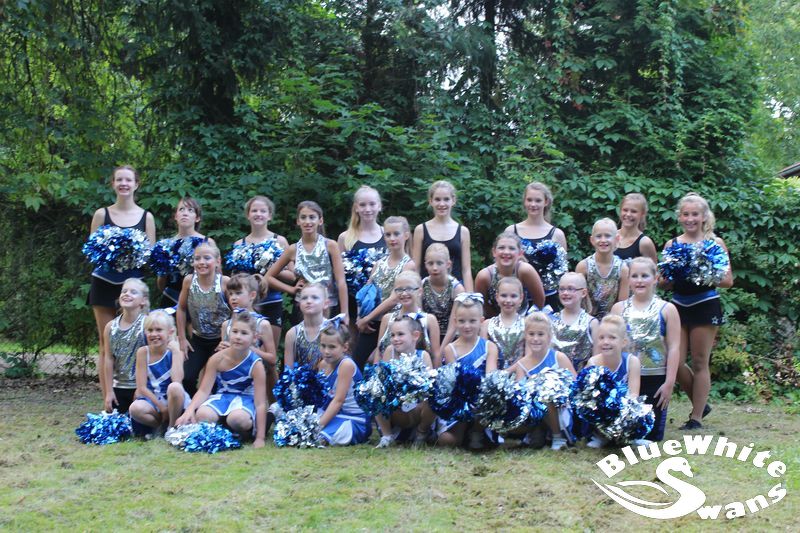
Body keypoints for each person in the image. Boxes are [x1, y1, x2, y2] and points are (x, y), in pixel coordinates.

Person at [661, 193, 733, 430]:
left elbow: (728, 281)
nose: (690, 218)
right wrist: (674, 273)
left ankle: (696, 418)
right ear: (679, 217)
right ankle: (701, 403)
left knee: (701, 361)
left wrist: (700, 271)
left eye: (695, 214)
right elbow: (663, 282)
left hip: (705, 304)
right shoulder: (672, 244)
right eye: (686, 214)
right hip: (678, 306)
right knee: (675, 361)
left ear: (704, 217)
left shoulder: (715, 244)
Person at [89, 165, 156, 402]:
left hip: (134, 285)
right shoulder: (101, 214)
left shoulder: (146, 217)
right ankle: (108, 400)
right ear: (113, 184)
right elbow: (92, 251)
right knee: (106, 342)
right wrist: (112, 252)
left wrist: (131, 251)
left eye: (128, 180)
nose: (124, 184)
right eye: (119, 180)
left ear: (136, 184)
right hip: (104, 282)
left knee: (139, 341)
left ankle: (137, 396)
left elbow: (150, 255)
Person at [610, 257, 680, 441]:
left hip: (655, 378)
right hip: (625, 377)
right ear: (628, 279)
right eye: (635, 276)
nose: (639, 280)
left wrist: (669, 382)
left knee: (651, 435)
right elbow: (610, 345)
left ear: (655, 278)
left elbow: (674, 347)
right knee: (618, 434)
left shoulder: (667, 309)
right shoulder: (618, 309)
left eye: (644, 276)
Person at [176, 311, 267, 448]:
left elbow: (260, 403)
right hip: (222, 397)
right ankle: (222, 428)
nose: (238, 337)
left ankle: (243, 431)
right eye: (235, 332)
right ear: (229, 333)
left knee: (237, 419)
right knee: (202, 415)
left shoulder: (256, 365)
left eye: (244, 333)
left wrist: (260, 437)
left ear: (254, 338)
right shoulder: (217, 359)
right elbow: (203, 391)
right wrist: (189, 410)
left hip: (245, 400)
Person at [265, 201, 348, 326]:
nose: (307, 221)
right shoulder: (293, 249)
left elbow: (341, 281)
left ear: (320, 220)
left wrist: (345, 313)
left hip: (328, 306)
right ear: (298, 221)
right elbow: (268, 277)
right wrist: (291, 290)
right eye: (303, 217)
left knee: (327, 338)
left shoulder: (330, 245)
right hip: (303, 307)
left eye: (312, 217)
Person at [436, 293, 499, 448]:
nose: (467, 326)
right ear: (455, 322)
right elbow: (453, 381)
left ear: (481, 321)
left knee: (489, 395)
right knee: (448, 441)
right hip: (460, 399)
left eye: (472, 321)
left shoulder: (489, 347)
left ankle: (477, 431)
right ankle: (461, 430)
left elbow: (491, 377)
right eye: (462, 321)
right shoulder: (450, 349)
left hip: (481, 398)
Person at [353, 216, 415, 368]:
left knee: (384, 365)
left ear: (406, 235)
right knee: (357, 362)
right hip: (372, 323)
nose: (392, 238)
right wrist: (360, 317)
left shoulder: (408, 265)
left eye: (396, 234)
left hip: (394, 323)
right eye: (388, 234)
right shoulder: (379, 263)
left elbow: (395, 298)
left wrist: (367, 318)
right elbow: (365, 293)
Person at [509, 312, 576, 451]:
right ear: (525, 335)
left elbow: (575, 385)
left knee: (546, 391)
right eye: (531, 334)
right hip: (536, 411)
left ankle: (558, 437)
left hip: (561, 410)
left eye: (540, 334)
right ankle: (537, 429)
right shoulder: (521, 365)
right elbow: (521, 396)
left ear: (549, 336)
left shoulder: (559, 357)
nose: (535, 339)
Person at [233, 195, 292, 344]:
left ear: (269, 215)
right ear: (248, 214)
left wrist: (270, 269)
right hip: (246, 305)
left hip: (272, 301)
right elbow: (234, 280)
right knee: (244, 346)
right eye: (254, 210)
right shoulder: (239, 244)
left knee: (270, 350)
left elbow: (292, 276)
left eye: (263, 211)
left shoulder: (279, 241)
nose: (258, 214)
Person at [176, 242, 231, 396]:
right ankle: (193, 405)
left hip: (220, 341)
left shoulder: (224, 282)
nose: (201, 262)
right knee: (187, 377)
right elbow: (181, 308)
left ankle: (210, 407)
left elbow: (237, 313)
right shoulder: (189, 281)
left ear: (217, 261)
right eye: (197, 258)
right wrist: (182, 338)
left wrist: (228, 339)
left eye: (207, 258)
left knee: (213, 381)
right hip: (198, 339)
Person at [374, 317, 437, 448]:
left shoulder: (423, 355)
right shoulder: (389, 351)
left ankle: (421, 433)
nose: (395, 339)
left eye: (400, 334)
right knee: (375, 389)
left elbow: (429, 385)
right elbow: (383, 380)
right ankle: (387, 435)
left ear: (415, 335)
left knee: (435, 395)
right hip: (396, 409)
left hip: (417, 407)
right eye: (392, 335)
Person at [505, 181, 568, 309]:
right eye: (529, 200)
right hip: (516, 300)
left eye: (538, 200)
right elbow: (502, 267)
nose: (533, 204)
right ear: (524, 201)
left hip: (548, 300)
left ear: (546, 202)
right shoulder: (511, 231)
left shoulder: (557, 234)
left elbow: (563, 274)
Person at [584, 315, 642, 449]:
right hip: (599, 411)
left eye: (612, 337)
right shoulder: (593, 363)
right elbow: (586, 396)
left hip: (623, 407)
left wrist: (623, 408)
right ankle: (600, 436)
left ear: (623, 342)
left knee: (636, 405)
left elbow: (634, 394)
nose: (606, 342)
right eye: (601, 337)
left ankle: (632, 436)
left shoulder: (632, 362)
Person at [129, 310, 190, 432]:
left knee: (175, 387)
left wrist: (176, 352)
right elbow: (141, 388)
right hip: (153, 399)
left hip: (173, 399)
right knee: (135, 408)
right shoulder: (143, 352)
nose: (154, 334)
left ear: (169, 332)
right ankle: (160, 426)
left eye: (158, 330)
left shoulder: (175, 350)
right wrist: (161, 408)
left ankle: (172, 427)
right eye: (150, 330)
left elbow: (177, 380)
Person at [338, 185, 386, 334]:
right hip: (353, 304)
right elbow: (339, 278)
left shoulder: (388, 234)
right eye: (363, 205)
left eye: (372, 204)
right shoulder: (345, 238)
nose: (368, 209)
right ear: (356, 208)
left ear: (379, 206)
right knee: (353, 345)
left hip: (383, 304)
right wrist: (344, 312)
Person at [99, 278, 149, 414]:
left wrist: (142, 387)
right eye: (124, 291)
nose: (127, 294)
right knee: (116, 422)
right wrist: (109, 392)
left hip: (143, 387)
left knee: (138, 420)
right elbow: (109, 359)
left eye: (133, 292)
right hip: (119, 387)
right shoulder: (110, 327)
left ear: (143, 300)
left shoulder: (147, 324)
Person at [412, 180, 474, 291]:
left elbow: (466, 270)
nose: (442, 204)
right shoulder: (420, 230)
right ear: (430, 201)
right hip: (427, 289)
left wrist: (470, 296)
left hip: (455, 290)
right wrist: (415, 292)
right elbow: (416, 267)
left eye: (446, 199)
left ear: (453, 200)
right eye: (437, 199)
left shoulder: (463, 232)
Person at [317, 322, 372, 446]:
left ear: (345, 347)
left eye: (332, 347)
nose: (326, 351)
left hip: (355, 420)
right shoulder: (323, 364)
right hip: (336, 415)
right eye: (323, 346)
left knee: (318, 437)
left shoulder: (346, 365)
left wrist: (317, 426)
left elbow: (338, 401)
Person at [374, 271, 440, 363]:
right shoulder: (387, 319)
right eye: (399, 290)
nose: (404, 294)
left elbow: (436, 355)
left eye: (409, 289)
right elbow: (379, 351)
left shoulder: (429, 320)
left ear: (419, 291)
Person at [475, 231, 545, 318]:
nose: (506, 252)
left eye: (511, 248)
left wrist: (529, 320)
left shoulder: (525, 270)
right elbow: (481, 304)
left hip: (523, 319)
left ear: (520, 253)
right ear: (494, 252)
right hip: (494, 319)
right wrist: (500, 321)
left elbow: (539, 300)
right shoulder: (485, 276)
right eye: (501, 248)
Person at [156, 196, 210, 307]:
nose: (185, 213)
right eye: (181, 209)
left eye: (190, 210)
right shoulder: (165, 245)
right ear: (176, 216)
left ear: (197, 218)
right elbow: (161, 282)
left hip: (199, 299)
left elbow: (216, 275)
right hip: (170, 298)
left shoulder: (207, 242)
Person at [576, 218, 629, 320]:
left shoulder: (622, 269)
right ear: (592, 240)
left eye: (608, 236)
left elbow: (622, 305)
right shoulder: (583, 267)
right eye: (599, 236)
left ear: (617, 239)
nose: (603, 240)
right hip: (586, 321)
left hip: (613, 322)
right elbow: (579, 301)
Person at [421, 243, 464, 357]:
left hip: (451, 337)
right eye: (430, 263)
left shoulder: (457, 288)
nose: (435, 268)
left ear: (448, 264)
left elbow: (454, 325)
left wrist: (440, 352)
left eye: (439, 263)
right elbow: (419, 319)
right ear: (425, 264)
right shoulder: (421, 286)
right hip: (428, 336)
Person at [552, 272, 597, 372]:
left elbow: (597, 359)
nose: (565, 293)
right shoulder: (551, 320)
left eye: (571, 289)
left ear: (583, 293)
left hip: (581, 378)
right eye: (562, 289)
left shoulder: (591, 323)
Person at [481, 277, 526, 370]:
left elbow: (529, 355)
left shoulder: (527, 324)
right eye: (504, 295)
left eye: (513, 296)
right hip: (492, 373)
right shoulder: (487, 325)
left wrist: (508, 372)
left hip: (520, 373)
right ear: (497, 297)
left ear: (521, 298)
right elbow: (483, 355)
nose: (508, 300)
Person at [282, 283, 330, 370]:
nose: (309, 301)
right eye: (304, 298)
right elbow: (288, 370)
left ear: (326, 303)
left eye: (315, 297)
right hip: (299, 378)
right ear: (299, 303)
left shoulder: (332, 329)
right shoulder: (292, 333)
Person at [614, 193, 658, 265]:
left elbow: (653, 270)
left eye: (633, 211)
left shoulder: (645, 243)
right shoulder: (610, 237)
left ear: (642, 214)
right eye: (625, 210)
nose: (628, 214)